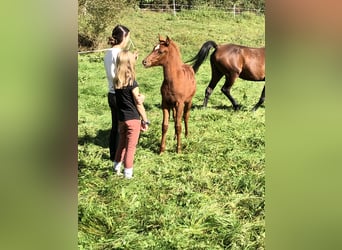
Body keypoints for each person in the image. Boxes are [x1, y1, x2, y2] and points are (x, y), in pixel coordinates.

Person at [104, 25, 144, 164]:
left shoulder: (108, 52)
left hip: (112, 93)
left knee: (116, 126)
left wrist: (132, 59)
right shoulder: (119, 53)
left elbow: (118, 70)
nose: (129, 39)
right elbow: (125, 73)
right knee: (127, 127)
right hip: (122, 94)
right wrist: (131, 60)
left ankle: (113, 156)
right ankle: (125, 159)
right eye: (128, 36)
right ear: (124, 37)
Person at [113, 50, 149, 179]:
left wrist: (131, 56)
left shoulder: (116, 81)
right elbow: (138, 102)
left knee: (121, 144)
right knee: (131, 148)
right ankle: (128, 174)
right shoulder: (132, 82)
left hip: (122, 119)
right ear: (130, 64)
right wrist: (145, 120)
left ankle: (116, 167)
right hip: (133, 119)